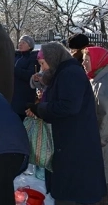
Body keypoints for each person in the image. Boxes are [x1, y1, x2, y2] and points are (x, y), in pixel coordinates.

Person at [27, 42, 106, 204]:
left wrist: (40, 109)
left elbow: (68, 106)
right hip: (71, 143)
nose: (42, 69)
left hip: (76, 147)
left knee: (73, 194)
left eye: (42, 64)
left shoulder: (70, 73)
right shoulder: (64, 72)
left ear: (52, 58)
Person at [82, 46, 108, 204]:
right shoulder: (96, 78)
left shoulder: (104, 83)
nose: (83, 63)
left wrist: (100, 139)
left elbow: (106, 115)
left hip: (103, 144)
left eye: (87, 59)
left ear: (98, 60)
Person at [11, 35, 39, 121]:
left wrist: (13, 69)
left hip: (25, 95)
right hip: (13, 94)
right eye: (19, 42)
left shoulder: (33, 58)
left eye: (23, 43)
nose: (20, 44)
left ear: (30, 46)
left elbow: (29, 75)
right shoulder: (15, 56)